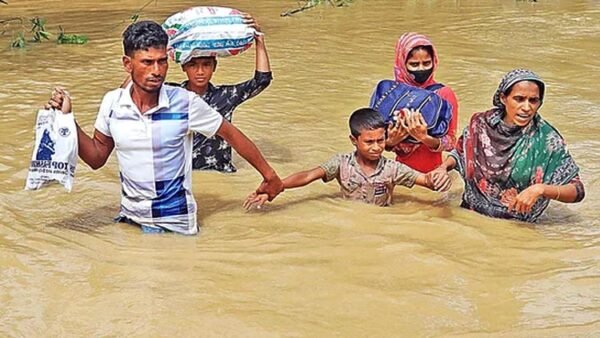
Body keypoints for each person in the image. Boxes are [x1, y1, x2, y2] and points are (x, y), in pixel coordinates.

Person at [47, 21, 283, 235]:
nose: (157, 71)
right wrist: (67, 119)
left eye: (162, 61)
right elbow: (97, 158)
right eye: (147, 62)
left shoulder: (185, 102)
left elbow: (232, 135)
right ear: (127, 64)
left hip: (174, 226)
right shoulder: (113, 102)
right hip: (130, 220)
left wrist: (270, 176)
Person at [432, 69, 585, 222]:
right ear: (503, 98)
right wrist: (443, 168)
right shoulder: (480, 125)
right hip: (469, 218)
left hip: (516, 229)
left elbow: (577, 191)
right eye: (519, 99)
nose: (527, 107)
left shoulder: (547, 139)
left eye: (533, 100)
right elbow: (459, 153)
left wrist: (541, 189)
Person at [244, 108, 449, 210]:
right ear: (354, 140)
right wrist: (277, 188)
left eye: (381, 140)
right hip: (348, 216)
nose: (377, 147)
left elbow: (426, 181)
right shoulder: (341, 164)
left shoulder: (393, 169)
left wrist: (439, 178)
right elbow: (308, 176)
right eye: (369, 142)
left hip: (381, 221)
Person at [170, 14, 272, 173]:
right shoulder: (172, 94)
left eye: (206, 65)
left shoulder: (225, 96)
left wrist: (259, 40)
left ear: (214, 67)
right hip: (182, 175)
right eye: (193, 65)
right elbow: (133, 88)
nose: (200, 72)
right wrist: (160, 47)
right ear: (183, 67)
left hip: (221, 173)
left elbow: (262, 81)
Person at [382, 32, 460, 173]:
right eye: (414, 64)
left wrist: (424, 138)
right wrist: (391, 142)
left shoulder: (443, 94)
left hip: (433, 176)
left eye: (426, 63)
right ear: (402, 63)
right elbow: (374, 143)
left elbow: (451, 142)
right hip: (398, 176)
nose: (421, 69)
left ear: (434, 61)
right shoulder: (390, 96)